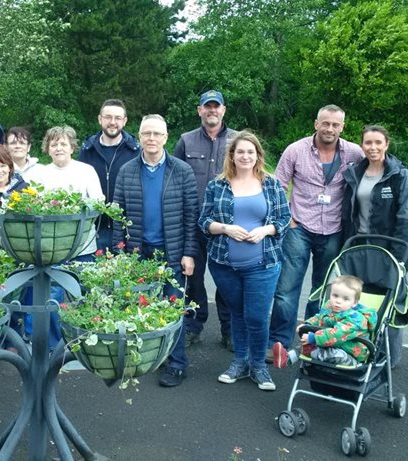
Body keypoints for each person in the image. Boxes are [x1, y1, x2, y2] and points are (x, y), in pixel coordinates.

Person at [268, 104, 364, 362]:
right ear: (316, 123)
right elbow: (277, 186)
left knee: (322, 291)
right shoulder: (296, 150)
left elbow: (375, 171)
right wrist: (286, 219)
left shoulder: (354, 153)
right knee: (286, 289)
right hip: (299, 227)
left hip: (333, 230)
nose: (330, 128)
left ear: (342, 127)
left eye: (335, 124)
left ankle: (313, 342)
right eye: (325, 123)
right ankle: (277, 342)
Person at [199, 130, 290, 391]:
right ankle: (240, 361)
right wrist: (225, 228)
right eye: (240, 151)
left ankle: (259, 366)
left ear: (258, 155)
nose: (245, 156)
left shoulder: (271, 184)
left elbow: (284, 218)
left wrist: (266, 230)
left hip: (264, 264)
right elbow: (203, 221)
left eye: (251, 151)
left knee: (257, 316)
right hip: (224, 264)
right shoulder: (218, 185)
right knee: (237, 313)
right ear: (232, 155)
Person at [112, 114, 198, 388]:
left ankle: (177, 364)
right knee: (138, 309)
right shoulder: (127, 170)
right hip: (139, 251)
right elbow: (118, 214)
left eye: (156, 134)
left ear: (165, 137)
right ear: (139, 137)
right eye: (146, 133)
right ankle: (145, 358)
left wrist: (189, 253)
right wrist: (119, 253)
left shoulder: (181, 170)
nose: (151, 139)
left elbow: (190, 214)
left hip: (171, 251)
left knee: (173, 309)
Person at [341, 125, 408, 367]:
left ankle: (390, 360)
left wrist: (398, 257)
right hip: (359, 248)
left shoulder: (400, 175)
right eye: (368, 143)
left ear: (386, 144)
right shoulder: (355, 172)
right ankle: (361, 351)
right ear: (362, 146)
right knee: (360, 302)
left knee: (390, 304)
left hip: (388, 250)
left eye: (377, 143)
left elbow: (406, 218)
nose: (372, 148)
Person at [174, 90, 238, 350]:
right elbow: (174, 178)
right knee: (193, 277)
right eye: (207, 107)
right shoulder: (186, 141)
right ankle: (193, 325)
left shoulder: (237, 140)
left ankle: (229, 329)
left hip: (227, 225)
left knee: (227, 280)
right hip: (193, 222)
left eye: (216, 106)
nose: (212, 110)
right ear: (199, 110)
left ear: (224, 109)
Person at [273, 275, 377, 368]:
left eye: (345, 299)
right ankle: (286, 358)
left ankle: (311, 351)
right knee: (304, 344)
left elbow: (338, 334)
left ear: (354, 303)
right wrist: (308, 325)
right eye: (335, 295)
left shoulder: (356, 319)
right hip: (329, 344)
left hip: (350, 354)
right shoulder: (329, 306)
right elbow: (320, 318)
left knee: (334, 353)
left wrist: (315, 338)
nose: (338, 301)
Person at [78, 99, 141, 252]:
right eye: (108, 117)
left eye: (118, 118)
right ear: (100, 119)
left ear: (124, 121)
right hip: (94, 229)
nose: (113, 122)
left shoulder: (136, 151)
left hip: (126, 230)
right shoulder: (87, 150)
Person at [35, 125, 104, 260]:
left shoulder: (86, 171)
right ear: (48, 149)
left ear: (72, 148)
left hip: (82, 247)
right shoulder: (40, 173)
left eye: (63, 144)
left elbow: (99, 202)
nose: (59, 148)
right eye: (54, 145)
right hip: (51, 248)